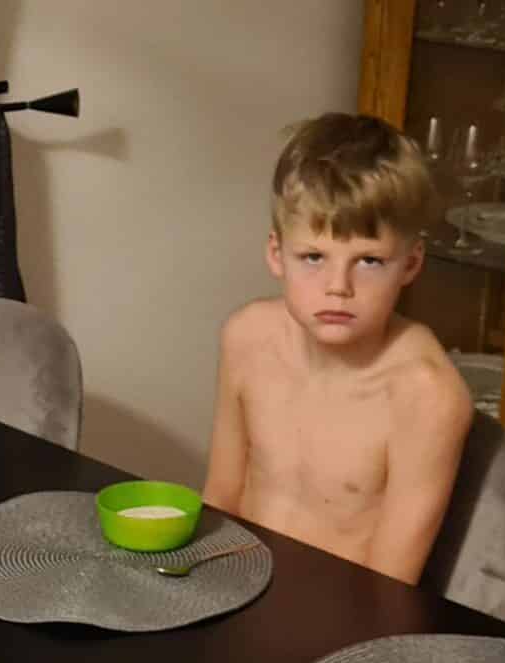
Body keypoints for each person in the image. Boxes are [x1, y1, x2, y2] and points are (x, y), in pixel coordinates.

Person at [203, 112, 473, 585]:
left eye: (369, 261)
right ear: (276, 254)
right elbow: (220, 499)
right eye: (313, 257)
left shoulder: (426, 394)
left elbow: (388, 589)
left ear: (410, 264)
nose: (338, 287)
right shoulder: (246, 338)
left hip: (342, 614)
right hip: (234, 588)